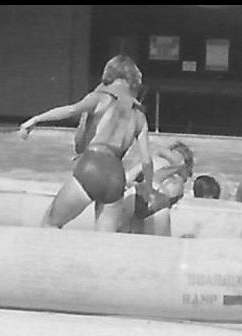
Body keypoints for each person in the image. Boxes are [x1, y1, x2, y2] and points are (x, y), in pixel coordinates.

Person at [18, 55, 155, 232]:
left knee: (50, 224)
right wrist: (148, 190)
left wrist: (36, 119)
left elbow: (72, 110)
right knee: (102, 244)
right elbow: (146, 161)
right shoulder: (139, 116)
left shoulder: (101, 97)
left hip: (92, 165)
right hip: (115, 176)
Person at [125, 140, 195, 236]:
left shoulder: (155, 160)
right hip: (158, 195)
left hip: (137, 192)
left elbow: (127, 178)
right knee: (160, 246)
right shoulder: (178, 178)